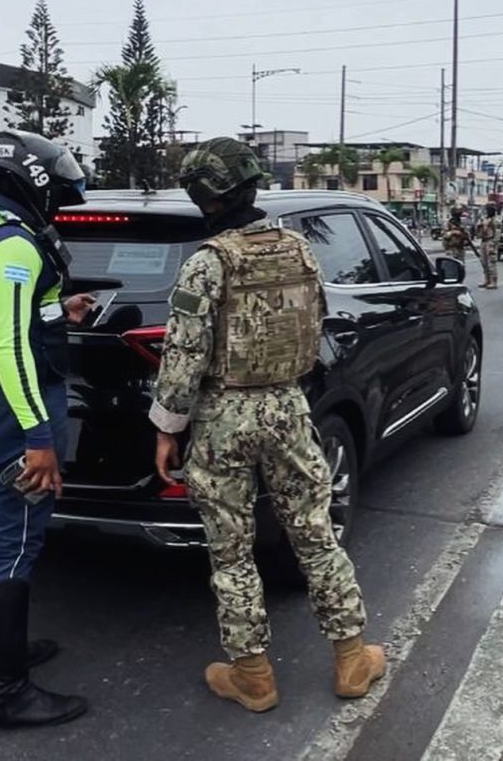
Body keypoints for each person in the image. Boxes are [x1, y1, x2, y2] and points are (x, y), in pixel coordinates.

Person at [148, 137, 384, 713]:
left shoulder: (206, 264)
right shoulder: (301, 251)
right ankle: (352, 658)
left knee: (231, 550)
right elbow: (316, 322)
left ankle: (253, 675)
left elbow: (183, 356)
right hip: (288, 409)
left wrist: (166, 427)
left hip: (222, 418)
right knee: (315, 535)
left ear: (204, 196)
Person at [0, 131, 96, 731]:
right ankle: (5, 692)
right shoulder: (13, 245)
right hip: (9, 410)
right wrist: (39, 439)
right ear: (32, 179)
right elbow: (9, 347)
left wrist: (60, 310)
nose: (57, 196)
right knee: (16, 541)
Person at [475, 204, 499, 289]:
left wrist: (494, 244)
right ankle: (487, 279)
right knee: (484, 262)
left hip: (490, 241)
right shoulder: (484, 219)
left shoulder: (495, 221)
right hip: (484, 241)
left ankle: (493, 281)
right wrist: (479, 225)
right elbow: (478, 230)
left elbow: (497, 233)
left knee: (491, 262)